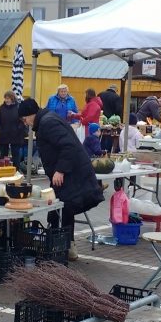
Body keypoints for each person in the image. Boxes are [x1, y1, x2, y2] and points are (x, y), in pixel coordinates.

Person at [17, 98, 104, 261]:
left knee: (64, 208)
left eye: (24, 119)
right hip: (70, 173)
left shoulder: (48, 123)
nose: (25, 123)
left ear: (30, 115)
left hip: (71, 173)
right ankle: (65, 246)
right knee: (63, 208)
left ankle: (64, 247)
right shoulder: (47, 119)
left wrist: (60, 170)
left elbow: (68, 146)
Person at [0, 91, 25, 164]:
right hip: (4, 134)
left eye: (8, 98)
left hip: (16, 135)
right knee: (3, 154)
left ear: (13, 98)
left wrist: (19, 129)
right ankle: (3, 170)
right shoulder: (1, 108)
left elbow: (23, 120)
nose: (6, 100)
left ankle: (16, 170)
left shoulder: (19, 107)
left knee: (16, 155)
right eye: (5, 98)